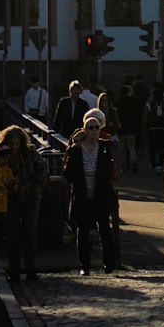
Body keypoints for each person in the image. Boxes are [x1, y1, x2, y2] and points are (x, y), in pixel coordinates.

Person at [63, 107, 119, 275]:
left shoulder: (104, 147)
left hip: (100, 196)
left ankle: (109, 264)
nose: (94, 130)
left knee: (104, 230)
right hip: (83, 196)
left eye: (96, 127)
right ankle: (84, 265)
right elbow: (68, 172)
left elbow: (112, 169)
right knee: (83, 232)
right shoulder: (76, 150)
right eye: (90, 128)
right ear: (85, 130)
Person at [0, 125, 49, 282]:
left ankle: (30, 269)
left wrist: (37, 188)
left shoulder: (30, 152)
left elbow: (42, 169)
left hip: (30, 196)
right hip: (12, 198)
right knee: (13, 234)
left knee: (29, 233)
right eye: (12, 144)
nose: (14, 147)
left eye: (17, 144)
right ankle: (14, 271)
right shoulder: (2, 153)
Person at [143, 84, 164, 169]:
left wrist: (143, 128)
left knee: (152, 147)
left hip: (152, 128)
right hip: (163, 128)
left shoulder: (149, 105)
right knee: (163, 147)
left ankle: (153, 163)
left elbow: (144, 117)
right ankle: (160, 163)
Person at [118, 80, 142, 173]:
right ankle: (134, 162)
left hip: (121, 129)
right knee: (132, 148)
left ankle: (123, 166)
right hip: (132, 129)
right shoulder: (134, 101)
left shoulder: (118, 102)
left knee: (122, 149)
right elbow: (138, 114)